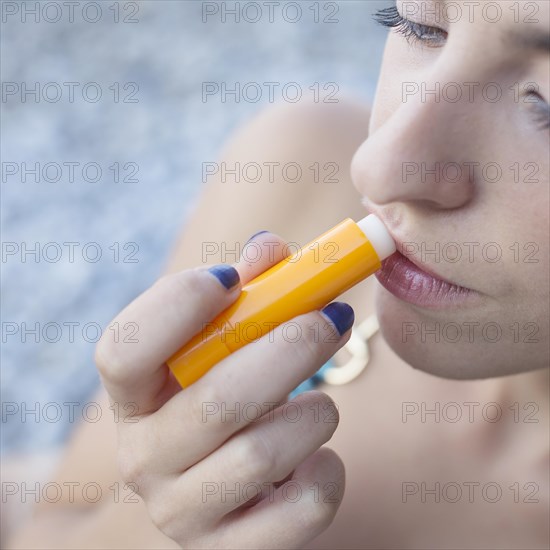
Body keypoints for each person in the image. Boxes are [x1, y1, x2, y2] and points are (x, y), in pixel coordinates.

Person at [7, 0, 549, 548]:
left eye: (546, 105)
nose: (379, 165)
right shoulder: (302, 172)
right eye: (419, 25)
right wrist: (152, 525)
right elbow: (51, 524)